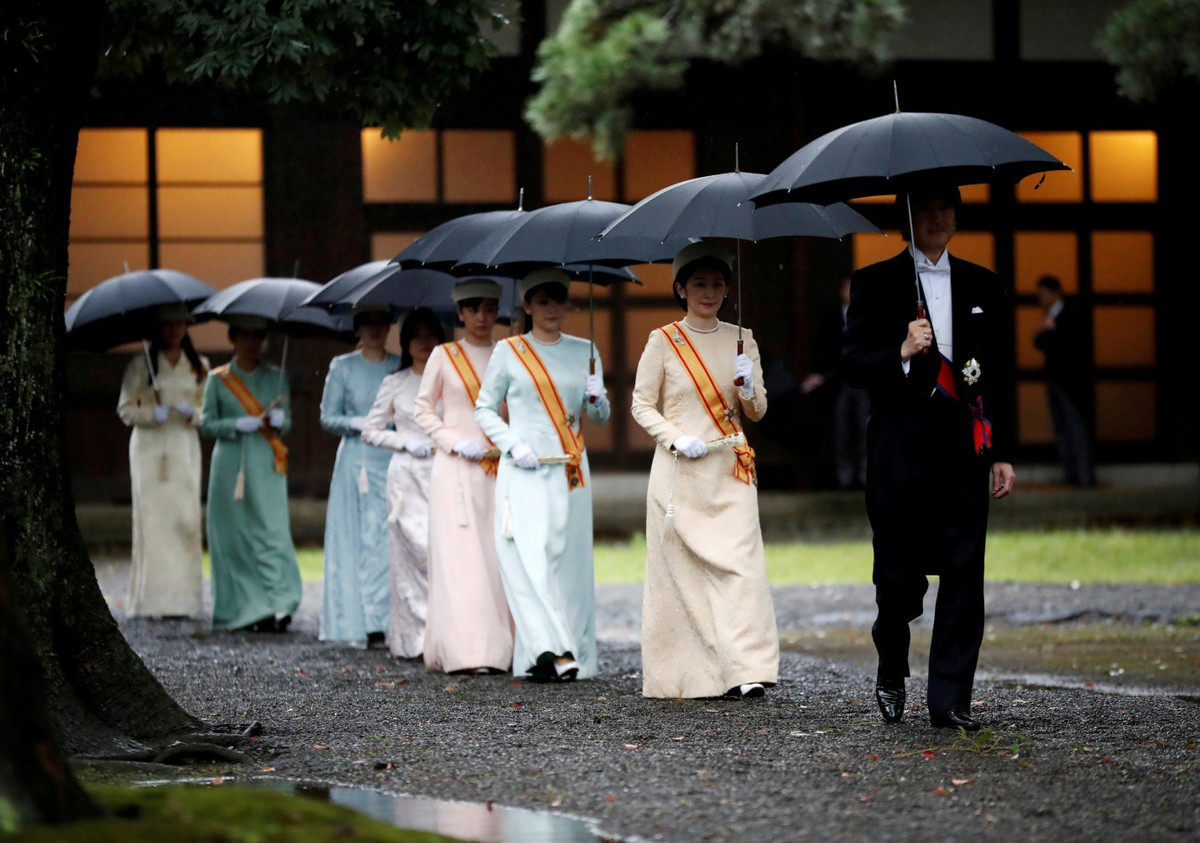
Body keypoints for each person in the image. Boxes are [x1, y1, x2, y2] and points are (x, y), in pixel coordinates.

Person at [843, 181, 1015, 731]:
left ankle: (949, 699)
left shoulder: (984, 283)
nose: (938, 217)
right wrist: (900, 350)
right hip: (899, 447)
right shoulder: (873, 283)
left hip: (963, 446)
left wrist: (1001, 452)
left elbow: (1000, 373)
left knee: (964, 571)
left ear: (957, 217)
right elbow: (851, 365)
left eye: (946, 208)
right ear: (907, 219)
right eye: (926, 209)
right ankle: (892, 666)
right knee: (897, 574)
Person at [630, 241, 779, 699]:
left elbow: (758, 412)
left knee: (742, 568)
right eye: (699, 284)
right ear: (681, 289)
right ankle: (692, 674)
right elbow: (641, 404)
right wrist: (675, 436)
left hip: (731, 470)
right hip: (681, 471)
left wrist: (748, 386)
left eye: (717, 284)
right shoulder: (663, 340)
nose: (709, 292)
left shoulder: (742, 338)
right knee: (684, 576)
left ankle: (747, 668)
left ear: (728, 290)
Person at [474, 269, 610, 682]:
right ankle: (554, 651)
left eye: (559, 300)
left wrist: (597, 398)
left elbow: (599, 418)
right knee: (528, 562)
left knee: (571, 566)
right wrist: (513, 444)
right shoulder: (509, 351)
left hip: (570, 471)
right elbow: (484, 408)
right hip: (524, 469)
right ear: (528, 305)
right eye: (543, 301)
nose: (552, 309)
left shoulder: (585, 349)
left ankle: (569, 654)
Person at [412, 279, 514, 675]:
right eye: (473, 309)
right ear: (460, 313)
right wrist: (453, 442)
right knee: (461, 560)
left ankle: (503, 647)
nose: (482, 317)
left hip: (497, 467)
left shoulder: (508, 352)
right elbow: (423, 409)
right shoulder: (444, 354)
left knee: (496, 556)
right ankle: (466, 650)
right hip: (455, 469)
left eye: (489, 309)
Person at [200, 316, 302, 632]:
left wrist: (281, 421)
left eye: (258, 335)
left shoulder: (276, 377)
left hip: (267, 460)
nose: (252, 342)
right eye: (245, 335)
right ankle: (243, 610)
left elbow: (287, 422)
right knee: (233, 535)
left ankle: (280, 603)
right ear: (233, 338)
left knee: (272, 531)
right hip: (230, 464)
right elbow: (206, 424)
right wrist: (235, 424)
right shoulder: (218, 379)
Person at [116, 304, 208, 618]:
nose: (173, 330)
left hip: (183, 445)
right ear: (158, 327)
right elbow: (125, 408)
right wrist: (149, 414)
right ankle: (151, 601)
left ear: (187, 327)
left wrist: (193, 414)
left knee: (185, 518)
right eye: (167, 324)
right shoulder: (141, 363)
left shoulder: (199, 365)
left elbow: (207, 410)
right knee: (152, 521)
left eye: (179, 323)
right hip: (149, 446)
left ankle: (184, 601)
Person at [362, 308, 442, 659]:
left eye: (430, 335)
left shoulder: (451, 379)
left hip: (443, 472)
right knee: (412, 551)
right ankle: (413, 640)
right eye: (416, 336)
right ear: (406, 342)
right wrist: (403, 441)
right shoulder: (394, 383)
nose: (424, 342)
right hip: (406, 477)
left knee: (442, 552)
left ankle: (442, 636)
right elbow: (370, 431)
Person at [318, 307, 401, 649]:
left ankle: (386, 620)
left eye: (381, 323)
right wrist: (355, 422)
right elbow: (327, 417)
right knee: (355, 536)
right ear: (358, 329)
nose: (375, 330)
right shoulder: (342, 367)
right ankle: (357, 620)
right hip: (356, 460)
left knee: (387, 536)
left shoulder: (398, 365)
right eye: (368, 324)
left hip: (390, 456)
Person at [1033, 275, 1095, 488]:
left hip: (1070, 381)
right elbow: (1039, 342)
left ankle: (1084, 476)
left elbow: (1070, 346)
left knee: (1075, 426)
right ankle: (1072, 473)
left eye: (1043, 294)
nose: (1041, 299)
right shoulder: (1050, 317)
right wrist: (1042, 332)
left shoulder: (1069, 315)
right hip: (1056, 379)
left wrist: (1049, 332)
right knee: (1062, 427)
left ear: (1054, 293)